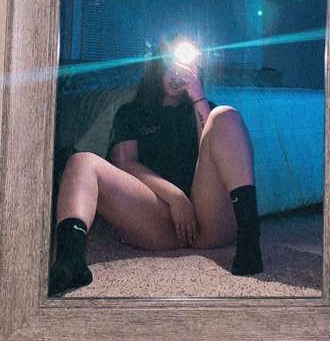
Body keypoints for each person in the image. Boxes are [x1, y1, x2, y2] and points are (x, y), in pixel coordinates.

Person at [48, 32, 263, 296]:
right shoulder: (131, 112)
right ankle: (70, 260)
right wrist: (176, 198)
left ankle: (250, 240)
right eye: (172, 64)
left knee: (225, 115)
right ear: (158, 66)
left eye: (185, 66)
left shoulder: (202, 108)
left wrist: (198, 96)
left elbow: (212, 152)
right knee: (81, 162)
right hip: (159, 221)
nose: (178, 72)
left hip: (210, 220)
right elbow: (125, 164)